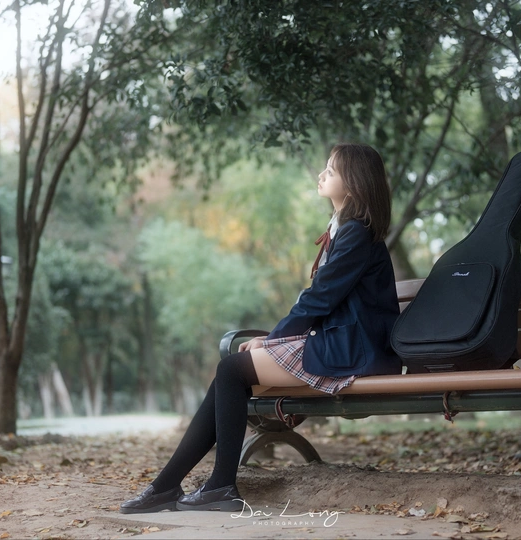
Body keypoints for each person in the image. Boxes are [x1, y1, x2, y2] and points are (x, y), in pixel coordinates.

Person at [119, 142, 402, 514]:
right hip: (343, 344)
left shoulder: (356, 234)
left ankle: (215, 486)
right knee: (228, 377)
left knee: (231, 371)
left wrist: (273, 341)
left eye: (331, 171)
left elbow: (320, 298)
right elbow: (324, 301)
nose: (322, 175)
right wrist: (274, 340)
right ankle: (170, 485)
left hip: (354, 352)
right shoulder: (346, 230)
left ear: (353, 184)